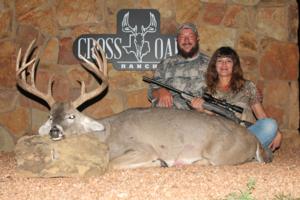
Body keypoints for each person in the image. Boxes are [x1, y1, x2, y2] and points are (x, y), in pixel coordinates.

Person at [191, 46, 282, 151]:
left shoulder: (247, 86)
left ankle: (242, 152)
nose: (224, 64)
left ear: (234, 65)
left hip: (246, 135)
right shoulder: (207, 91)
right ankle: (247, 154)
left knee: (270, 124)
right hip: (222, 138)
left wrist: (276, 132)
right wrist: (200, 110)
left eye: (228, 61)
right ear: (214, 65)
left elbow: (261, 115)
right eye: (220, 61)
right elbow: (206, 123)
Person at [148, 23, 209, 110]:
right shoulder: (165, 64)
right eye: (182, 36)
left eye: (190, 36)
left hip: (199, 116)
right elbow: (151, 91)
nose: (186, 40)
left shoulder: (211, 64)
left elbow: (219, 91)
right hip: (169, 117)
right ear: (177, 39)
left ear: (197, 38)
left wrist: (203, 103)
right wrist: (160, 91)